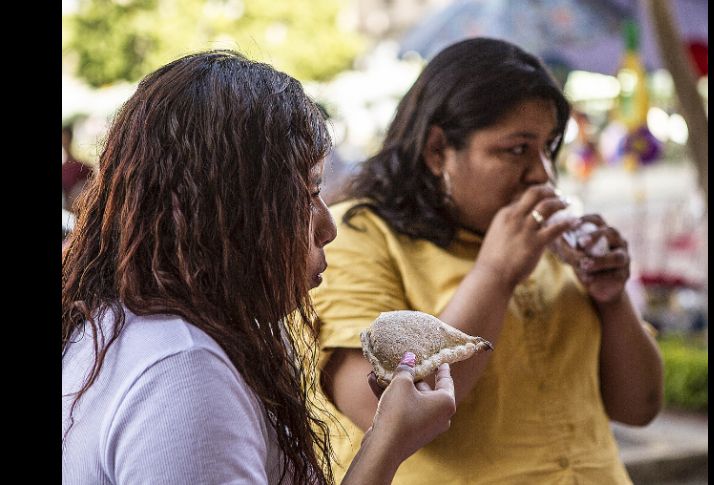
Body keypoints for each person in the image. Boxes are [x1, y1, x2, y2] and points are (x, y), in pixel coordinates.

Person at [62, 50, 456, 485]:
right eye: (308, 193)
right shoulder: (183, 374)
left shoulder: (149, 331)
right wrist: (387, 444)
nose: (328, 227)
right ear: (230, 211)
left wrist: (388, 436)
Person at [312, 38, 664, 484]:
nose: (543, 174)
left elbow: (640, 407)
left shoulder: (548, 238)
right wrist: (495, 275)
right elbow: (379, 413)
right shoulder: (356, 234)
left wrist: (612, 301)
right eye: (516, 149)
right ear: (438, 149)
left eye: (548, 147)